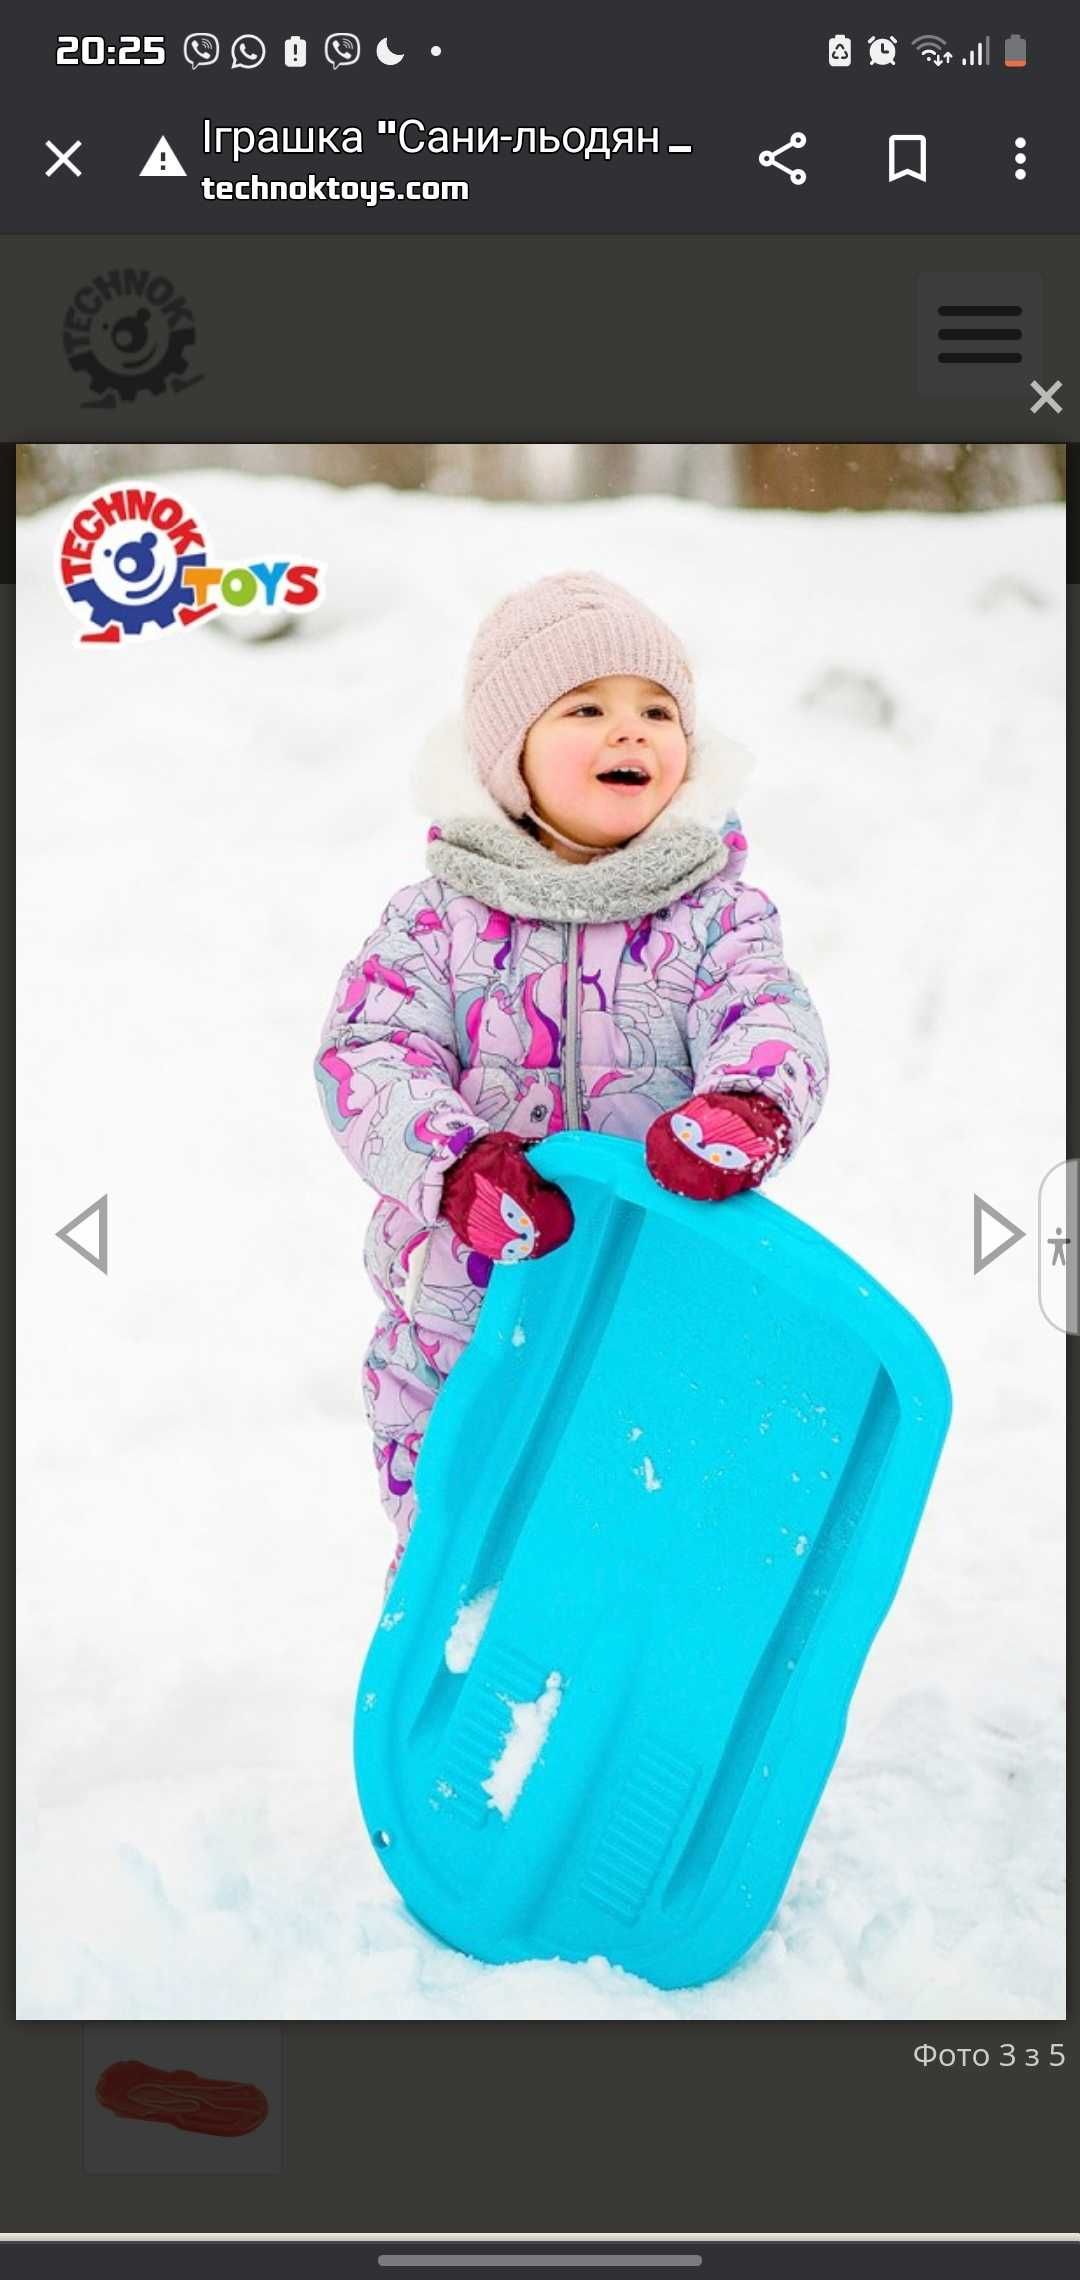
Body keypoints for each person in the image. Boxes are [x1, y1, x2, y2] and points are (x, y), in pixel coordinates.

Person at [316, 571, 828, 1592]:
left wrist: (746, 1107)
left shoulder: (717, 917)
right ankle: (464, 1661)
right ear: (509, 759)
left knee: (654, 1519)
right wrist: (458, 1167)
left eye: (656, 711)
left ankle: (642, 1668)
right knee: (469, 1521)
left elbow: (767, 1015)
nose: (628, 732)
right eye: (585, 708)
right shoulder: (435, 922)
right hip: (464, 1308)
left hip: (664, 1296)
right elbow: (369, 1054)